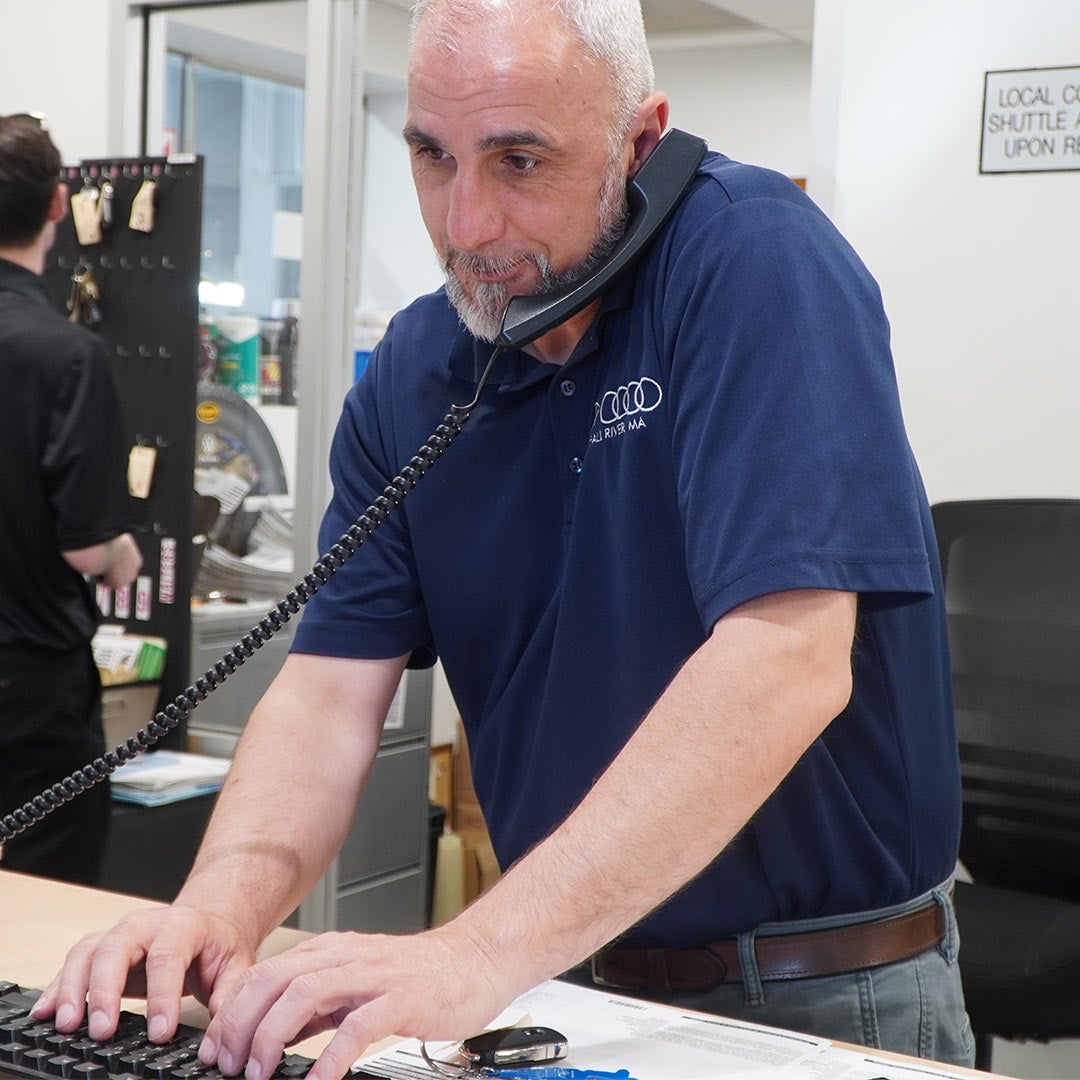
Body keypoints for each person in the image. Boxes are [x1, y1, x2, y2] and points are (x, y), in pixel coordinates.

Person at [33, 0, 973, 1072]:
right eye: (433, 156)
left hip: (814, 995)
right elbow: (330, 692)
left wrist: (477, 947)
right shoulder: (420, 365)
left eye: (520, 160)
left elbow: (786, 660)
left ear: (640, 142)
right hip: (562, 985)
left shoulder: (754, 263)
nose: (465, 223)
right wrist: (218, 908)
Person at [0, 114, 142, 885]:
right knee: (44, 913)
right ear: (59, 204)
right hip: (28, 698)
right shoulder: (66, 355)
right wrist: (125, 556)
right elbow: (88, 547)